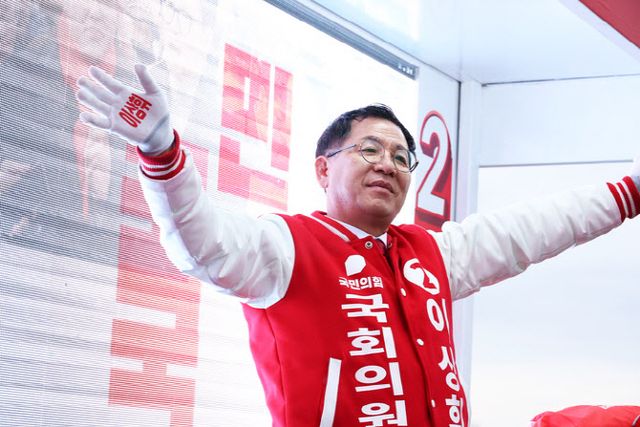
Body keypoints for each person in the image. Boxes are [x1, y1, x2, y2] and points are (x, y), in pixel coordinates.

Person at [76, 64, 640, 427]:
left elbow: (534, 229)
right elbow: (201, 243)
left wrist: (631, 191)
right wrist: (162, 152)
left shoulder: (431, 253)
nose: (388, 165)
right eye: (369, 150)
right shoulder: (285, 247)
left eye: (401, 157)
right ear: (324, 169)